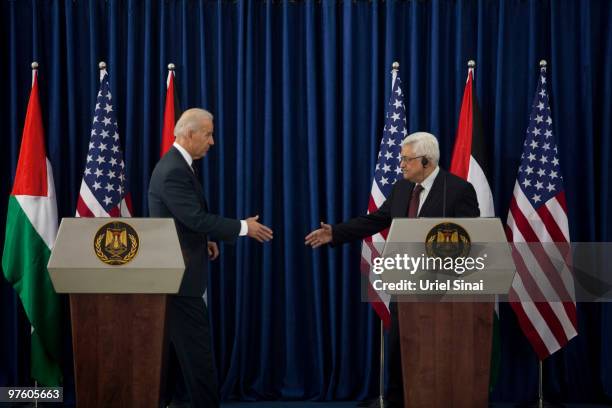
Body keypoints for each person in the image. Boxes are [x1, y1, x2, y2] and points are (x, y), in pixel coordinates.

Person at [304, 131, 479, 408]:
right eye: (401, 160)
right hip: (405, 282)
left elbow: (471, 237)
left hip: (441, 289)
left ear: (426, 161)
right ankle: (400, 400)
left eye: (407, 160)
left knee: (437, 352)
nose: (402, 165)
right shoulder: (401, 189)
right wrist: (336, 233)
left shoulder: (458, 189)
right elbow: (376, 220)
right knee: (401, 348)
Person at [149, 108, 273, 408]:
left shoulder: (180, 165)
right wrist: (244, 227)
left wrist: (202, 241)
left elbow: (182, 221)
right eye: (208, 134)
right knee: (198, 356)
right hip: (179, 279)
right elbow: (194, 218)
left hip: (181, 269)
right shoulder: (174, 170)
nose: (212, 141)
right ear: (188, 134)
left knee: (186, 354)